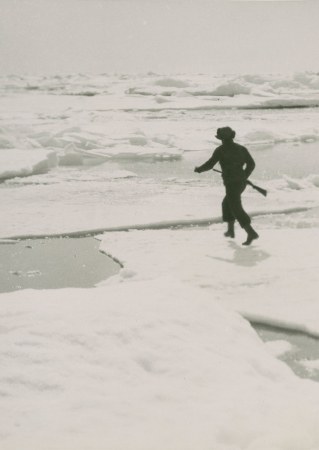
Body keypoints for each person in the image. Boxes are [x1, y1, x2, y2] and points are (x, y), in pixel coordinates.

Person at [194, 126, 259, 246]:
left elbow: (209, 164)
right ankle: (231, 230)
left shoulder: (221, 150)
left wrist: (199, 169)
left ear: (221, 138)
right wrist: (244, 175)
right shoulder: (241, 148)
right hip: (241, 182)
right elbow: (251, 164)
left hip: (231, 183)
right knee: (227, 203)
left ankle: (251, 232)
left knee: (235, 207)